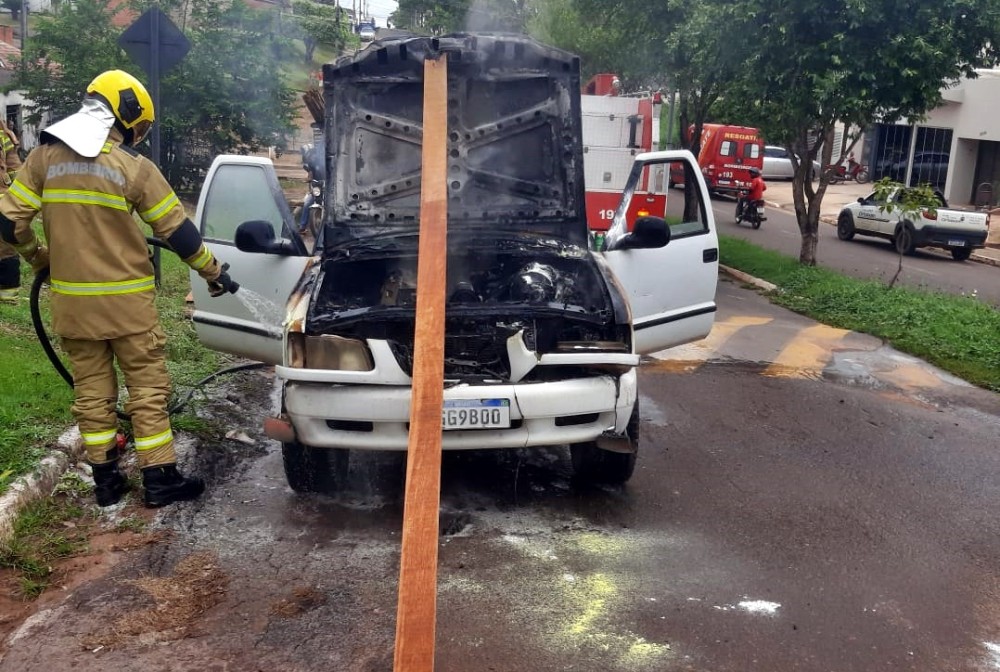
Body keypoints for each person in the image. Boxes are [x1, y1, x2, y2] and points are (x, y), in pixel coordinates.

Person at [0, 70, 239, 508]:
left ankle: (107, 482)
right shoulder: (134, 168)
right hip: (127, 305)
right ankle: (160, 479)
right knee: (146, 389)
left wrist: (38, 257)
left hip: (72, 304)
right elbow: (177, 232)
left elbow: (7, 223)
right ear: (126, 113)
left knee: (91, 391)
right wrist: (213, 273)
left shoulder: (42, 159)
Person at [0, 119, 23, 304]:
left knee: (6, 244)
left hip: (3, 200)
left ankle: (8, 296)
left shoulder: (2, 133)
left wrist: (20, 192)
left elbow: (13, 164)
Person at [299, 140, 325, 234]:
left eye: (308, 154)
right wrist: (309, 179)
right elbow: (310, 175)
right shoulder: (310, 164)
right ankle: (302, 227)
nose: (308, 156)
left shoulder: (324, 160)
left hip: (328, 187)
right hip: (317, 188)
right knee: (307, 203)